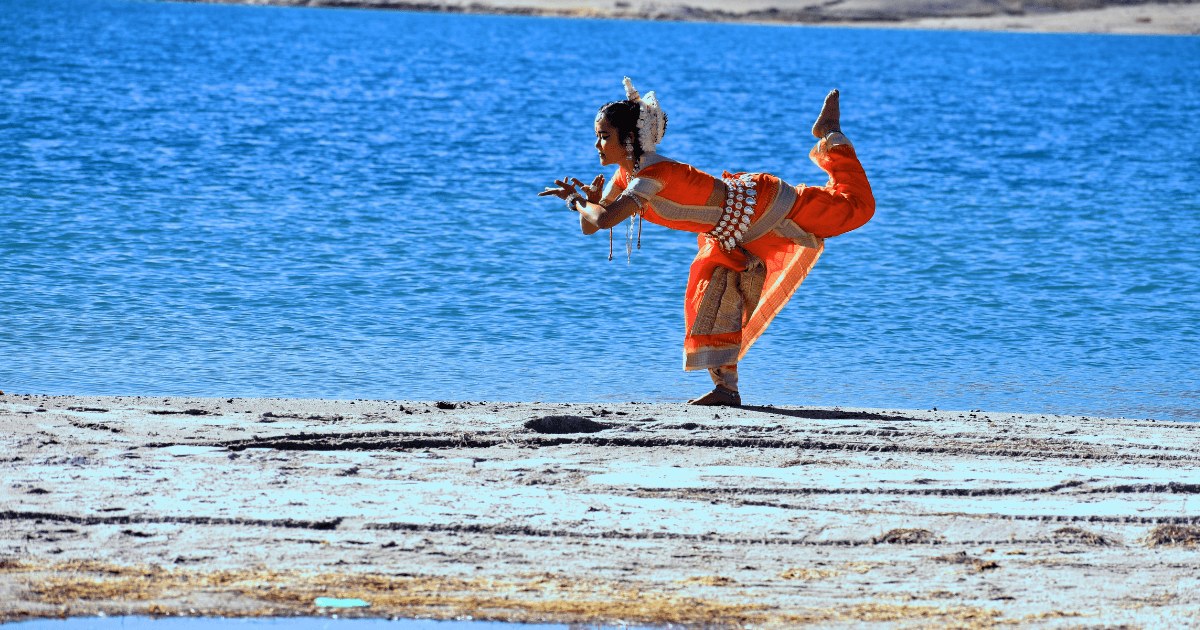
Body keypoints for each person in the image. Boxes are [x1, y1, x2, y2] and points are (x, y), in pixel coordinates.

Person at [540, 78, 874, 406]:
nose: (597, 145)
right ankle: (726, 390)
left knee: (857, 208)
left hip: (762, 204)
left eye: (603, 137)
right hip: (731, 235)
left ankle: (831, 133)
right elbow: (591, 227)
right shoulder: (625, 176)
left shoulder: (654, 175)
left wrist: (576, 201)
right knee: (711, 297)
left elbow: (603, 219)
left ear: (629, 138)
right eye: (597, 136)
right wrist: (594, 199)